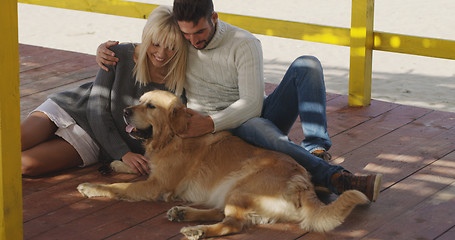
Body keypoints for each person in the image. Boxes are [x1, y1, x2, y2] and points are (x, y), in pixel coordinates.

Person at [96, 0, 382, 202]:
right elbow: (152, 46)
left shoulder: (243, 43)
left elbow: (251, 106)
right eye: (186, 34)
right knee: (262, 131)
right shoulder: (181, 41)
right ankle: (333, 178)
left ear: (215, 18)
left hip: (246, 115)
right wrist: (107, 51)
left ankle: (316, 151)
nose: (193, 41)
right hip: (215, 130)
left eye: (200, 32)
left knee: (306, 65)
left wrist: (209, 122)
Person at [21, 6, 188, 177]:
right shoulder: (117, 54)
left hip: (94, 140)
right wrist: (123, 153)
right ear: (146, 37)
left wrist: (122, 153)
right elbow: (96, 109)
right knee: (10, 144)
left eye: (171, 47)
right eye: (156, 43)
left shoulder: (183, 82)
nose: (161, 53)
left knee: (23, 165)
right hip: (71, 107)